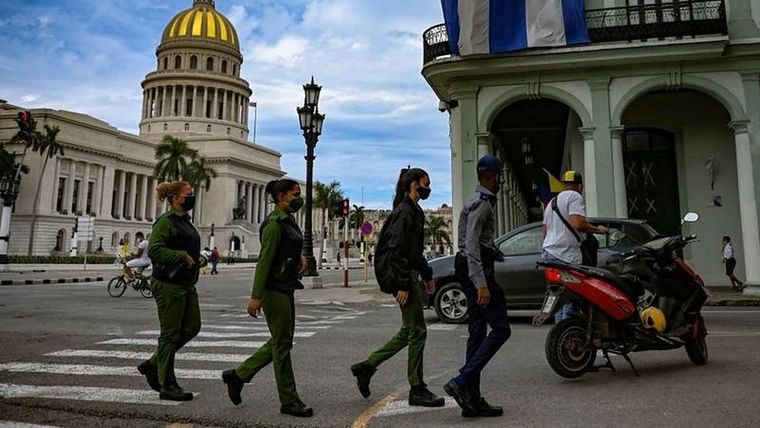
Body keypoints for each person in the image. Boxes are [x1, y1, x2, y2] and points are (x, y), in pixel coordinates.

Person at [350, 168, 445, 408]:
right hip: (404, 278)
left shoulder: (414, 211)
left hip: (410, 275)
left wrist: (427, 273)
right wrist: (402, 284)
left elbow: (414, 250)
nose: (428, 188)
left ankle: (367, 367)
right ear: (414, 184)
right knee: (418, 332)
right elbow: (396, 250)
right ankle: (417, 388)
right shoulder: (404, 212)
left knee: (408, 331)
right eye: (426, 183)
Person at [221, 179, 314, 417]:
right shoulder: (273, 225)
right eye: (295, 194)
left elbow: (288, 248)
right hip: (274, 289)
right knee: (282, 345)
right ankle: (289, 399)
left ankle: (238, 375)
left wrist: (300, 257)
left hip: (287, 285)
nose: (299, 198)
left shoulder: (289, 220)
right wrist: (256, 296)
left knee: (281, 341)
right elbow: (264, 261)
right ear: (282, 196)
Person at [444, 155, 510, 418]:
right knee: (501, 328)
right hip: (475, 270)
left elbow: (477, 243)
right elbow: (471, 246)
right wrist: (481, 284)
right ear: (493, 177)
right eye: (499, 176)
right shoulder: (483, 205)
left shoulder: (477, 201)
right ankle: (462, 381)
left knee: (477, 330)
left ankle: (471, 399)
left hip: (471, 265)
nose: (500, 181)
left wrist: (492, 251)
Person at [137, 181, 202, 402]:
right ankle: (167, 384)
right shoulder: (166, 221)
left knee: (192, 327)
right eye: (188, 194)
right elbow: (155, 250)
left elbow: (188, 249)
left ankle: (153, 363)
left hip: (185, 282)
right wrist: (181, 256)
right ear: (175, 198)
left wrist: (200, 258)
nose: (192, 197)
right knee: (170, 334)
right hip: (168, 283)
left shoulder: (185, 222)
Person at [541, 171, 608, 322]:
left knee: (558, 297)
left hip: (549, 253)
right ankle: (569, 333)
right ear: (580, 186)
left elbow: (545, 231)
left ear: (563, 185)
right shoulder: (575, 196)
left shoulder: (552, 202)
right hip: (566, 254)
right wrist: (598, 230)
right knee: (572, 297)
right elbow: (578, 223)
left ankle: (560, 333)